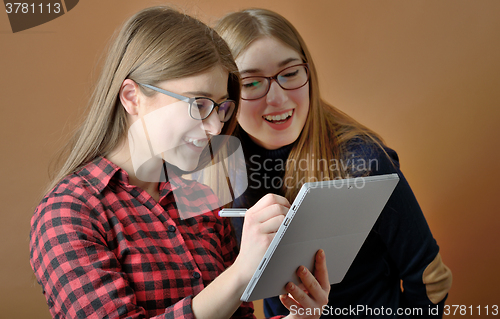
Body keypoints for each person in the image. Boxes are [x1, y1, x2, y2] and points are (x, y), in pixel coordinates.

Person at [29, 7, 331, 319]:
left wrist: (300, 316)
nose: (215, 127)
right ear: (132, 97)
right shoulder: (69, 213)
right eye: (198, 104)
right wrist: (240, 272)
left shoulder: (200, 195)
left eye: (220, 108)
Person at [215, 8, 452, 318]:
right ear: (227, 95)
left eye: (290, 74)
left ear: (308, 72)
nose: (279, 98)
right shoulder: (219, 170)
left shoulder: (363, 161)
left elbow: (432, 280)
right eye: (252, 83)